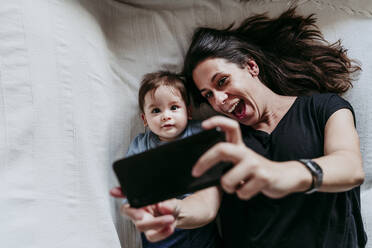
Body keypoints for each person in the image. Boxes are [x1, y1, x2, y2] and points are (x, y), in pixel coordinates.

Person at [112, 8, 368, 247]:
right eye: (208, 96)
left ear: (251, 66)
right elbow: (206, 203)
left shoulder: (323, 107)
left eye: (222, 81)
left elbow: (349, 166)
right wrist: (174, 211)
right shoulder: (223, 140)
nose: (219, 101)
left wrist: (279, 174)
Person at [115, 71, 222, 248]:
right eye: (156, 111)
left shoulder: (198, 134)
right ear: (145, 119)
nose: (166, 116)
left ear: (188, 112)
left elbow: (218, 158)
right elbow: (132, 179)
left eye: (174, 107)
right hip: (158, 219)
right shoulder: (141, 144)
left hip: (195, 218)